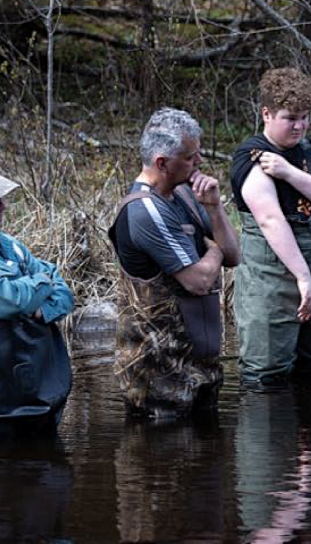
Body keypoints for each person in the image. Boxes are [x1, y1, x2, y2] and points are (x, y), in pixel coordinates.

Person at [109, 108, 240, 419]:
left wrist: (215, 208)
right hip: (159, 380)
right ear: (162, 163)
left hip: (200, 371)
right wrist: (214, 251)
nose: (199, 163)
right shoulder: (143, 211)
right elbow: (200, 281)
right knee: (160, 465)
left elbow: (234, 255)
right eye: (190, 157)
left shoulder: (185, 193)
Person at [229, 67, 311, 387]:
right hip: (271, 285)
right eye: (290, 118)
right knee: (266, 374)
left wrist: (289, 173)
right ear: (266, 114)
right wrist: (302, 277)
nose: (300, 125)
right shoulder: (250, 156)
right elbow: (270, 219)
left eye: (305, 117)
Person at [0, 155, 73, 437]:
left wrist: (43, 309)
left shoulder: (7, 244)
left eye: (2, 197)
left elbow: (64, 292)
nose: (2, 206)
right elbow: (12, 299)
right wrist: (42, 281)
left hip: (31, 405)